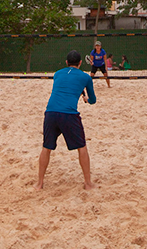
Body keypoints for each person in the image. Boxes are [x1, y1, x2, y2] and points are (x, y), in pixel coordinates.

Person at [35, 50, 97, 191]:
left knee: (46, 147)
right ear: (80, 63)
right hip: (68, 114)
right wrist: (86, 98)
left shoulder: (57, 74)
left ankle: (39, 183)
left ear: (66, 62)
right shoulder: (85, 77)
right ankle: (88, 183)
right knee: (82, 147)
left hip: (50, 113)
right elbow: (93, 100)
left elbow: (64, 87)